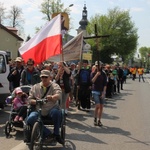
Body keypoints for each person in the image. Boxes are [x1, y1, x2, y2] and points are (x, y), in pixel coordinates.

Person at [26, 70, 63, 144]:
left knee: (57, 112)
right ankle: (47, 133)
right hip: (38, 109)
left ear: (50, 77)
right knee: (30, 118)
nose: (44, 78)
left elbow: (58, 95)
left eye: (46, 77)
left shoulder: (54, 86)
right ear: (40, 78)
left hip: (51, 109)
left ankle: (56, 134)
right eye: (42, 77)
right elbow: (29, 99)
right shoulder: (35, 87)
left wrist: (52, 97)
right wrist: (35, 101)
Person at [91, 61, 107, 126]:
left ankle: (99, 120)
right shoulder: (93, 73)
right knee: (97, 105)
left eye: (99, 65)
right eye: (97, 65)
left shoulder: (104, 74)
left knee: (101, 107)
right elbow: (92, 81)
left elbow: (105, 84)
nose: (98, 66)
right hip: (95, 91)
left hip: (101, 91)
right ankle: (95, 118)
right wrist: (97, 75)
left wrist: (103, 93)